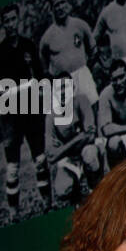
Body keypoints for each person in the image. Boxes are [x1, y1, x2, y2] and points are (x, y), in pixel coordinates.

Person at [0, 4, 50, 215]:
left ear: (18, 19)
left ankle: (47, 202)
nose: (11, 24)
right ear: (3, 24)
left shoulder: (29, 46)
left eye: (13, 19)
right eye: (7, 21)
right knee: (12, 168)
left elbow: (40, 77)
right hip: (11, 116)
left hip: (32, 110)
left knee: (40, 159)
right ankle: (14, 211)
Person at [44, 72, 102, 204]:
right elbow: (51, 156)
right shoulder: (51, 116)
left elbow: (90, 135)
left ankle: (96, 188)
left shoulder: (82, 101)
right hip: (69, 158)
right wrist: (77, 139)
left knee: (90, 154)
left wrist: (62, 148)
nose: (63, 92)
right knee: (62, 189)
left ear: (73, 87)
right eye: (59, 88)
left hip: (83, 151)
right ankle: (77, 192)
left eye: (66, 86)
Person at [38, 0, 98, 112]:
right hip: (62, 82)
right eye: (56, 5)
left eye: (62, 3)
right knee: (68, 115)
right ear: (52, 9)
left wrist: (86, 70)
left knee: (93, 106)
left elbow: (93, 50)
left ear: (68, 4)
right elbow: (44, 69)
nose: (60, 7)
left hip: (82, 74)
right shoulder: (47, 38)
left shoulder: (80, 25)